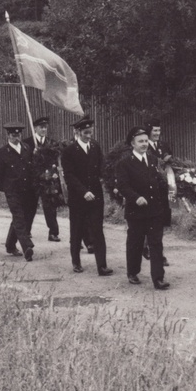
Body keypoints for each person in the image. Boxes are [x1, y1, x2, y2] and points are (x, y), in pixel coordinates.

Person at [116, 126, 169, 289]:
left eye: (146, 141)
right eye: (140, 141)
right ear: (132, 143)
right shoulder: (124, 163)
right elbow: (123, 186)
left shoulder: (153, 160)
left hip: (154, 210)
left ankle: (158, 278)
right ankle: (132, 272)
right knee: (135, 243)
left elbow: (158, 181)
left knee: (156, 243)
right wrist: (135, 197)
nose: (144, 144)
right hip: (136, 211)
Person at [60, 116, 113, 276]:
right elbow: (69, 176)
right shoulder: (69, 151)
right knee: (77, 229)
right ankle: (76, 261)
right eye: (85, 133)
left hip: (96, 196)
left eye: (90, 132)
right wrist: (83, 192)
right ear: (77, 132)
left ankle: (102, 266)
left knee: (98, 230)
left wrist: (108, 181)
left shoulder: (95, 147)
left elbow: (101, 167)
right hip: (78, 198)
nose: (89, 136)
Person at [0, 123, 38, 261]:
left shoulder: (27, 148)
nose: (16, 137)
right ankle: (27, 247)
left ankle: (10, 245)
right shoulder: (3, 152)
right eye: (13, 135)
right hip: (12, 191)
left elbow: (33, 169)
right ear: (8, 136)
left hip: (28, 190)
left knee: (26, 217)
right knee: (19, 217)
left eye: (18, 134)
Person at [24, 115, 61, 242]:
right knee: (30, 206)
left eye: (45, 127)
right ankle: (27, 231)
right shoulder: (27, 143)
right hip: (33, 180)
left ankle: (53, 233)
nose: (44, 129)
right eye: (41, 127)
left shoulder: (52, 143)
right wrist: (32, 154)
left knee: (50, 206)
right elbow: (24, 161)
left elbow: (56, 161)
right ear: (35, 128)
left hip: (47, 181)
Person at [144, 117, 174, 266]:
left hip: (163, 190)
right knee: (150, 221)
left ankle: (155, 250)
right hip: (149, 189)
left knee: (160, 221)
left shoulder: (163, 145)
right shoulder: (143, 145)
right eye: (154, 130)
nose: (157, 133)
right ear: (148, 131)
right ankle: (148, 248)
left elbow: (170, 165)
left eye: (159, 130)